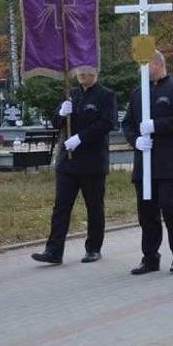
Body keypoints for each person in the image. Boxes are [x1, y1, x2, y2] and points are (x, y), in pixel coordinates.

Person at [31, 66, 117, 265]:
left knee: (94, 206)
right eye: (79, 72)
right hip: (67, 161)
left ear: (96, 73)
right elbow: (55, 122)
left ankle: (93, 248)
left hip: (92, 160)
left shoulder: (105, 95)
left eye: (86, 72)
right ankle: (54, 250)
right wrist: (61, 113)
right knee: (61, 206)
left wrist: (81, 138)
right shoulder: (72, 94)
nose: (81, 75)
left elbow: (107, 123)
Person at [122, 50, 173, 275]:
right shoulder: (138, 93)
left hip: (168, 160)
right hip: (144, 161)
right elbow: (127, 124)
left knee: (169, 205)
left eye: (143, 65)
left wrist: (157, 125)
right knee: (146, 211)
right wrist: (136, 140)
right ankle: (150, 257)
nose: (140, 70)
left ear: (156, 64)